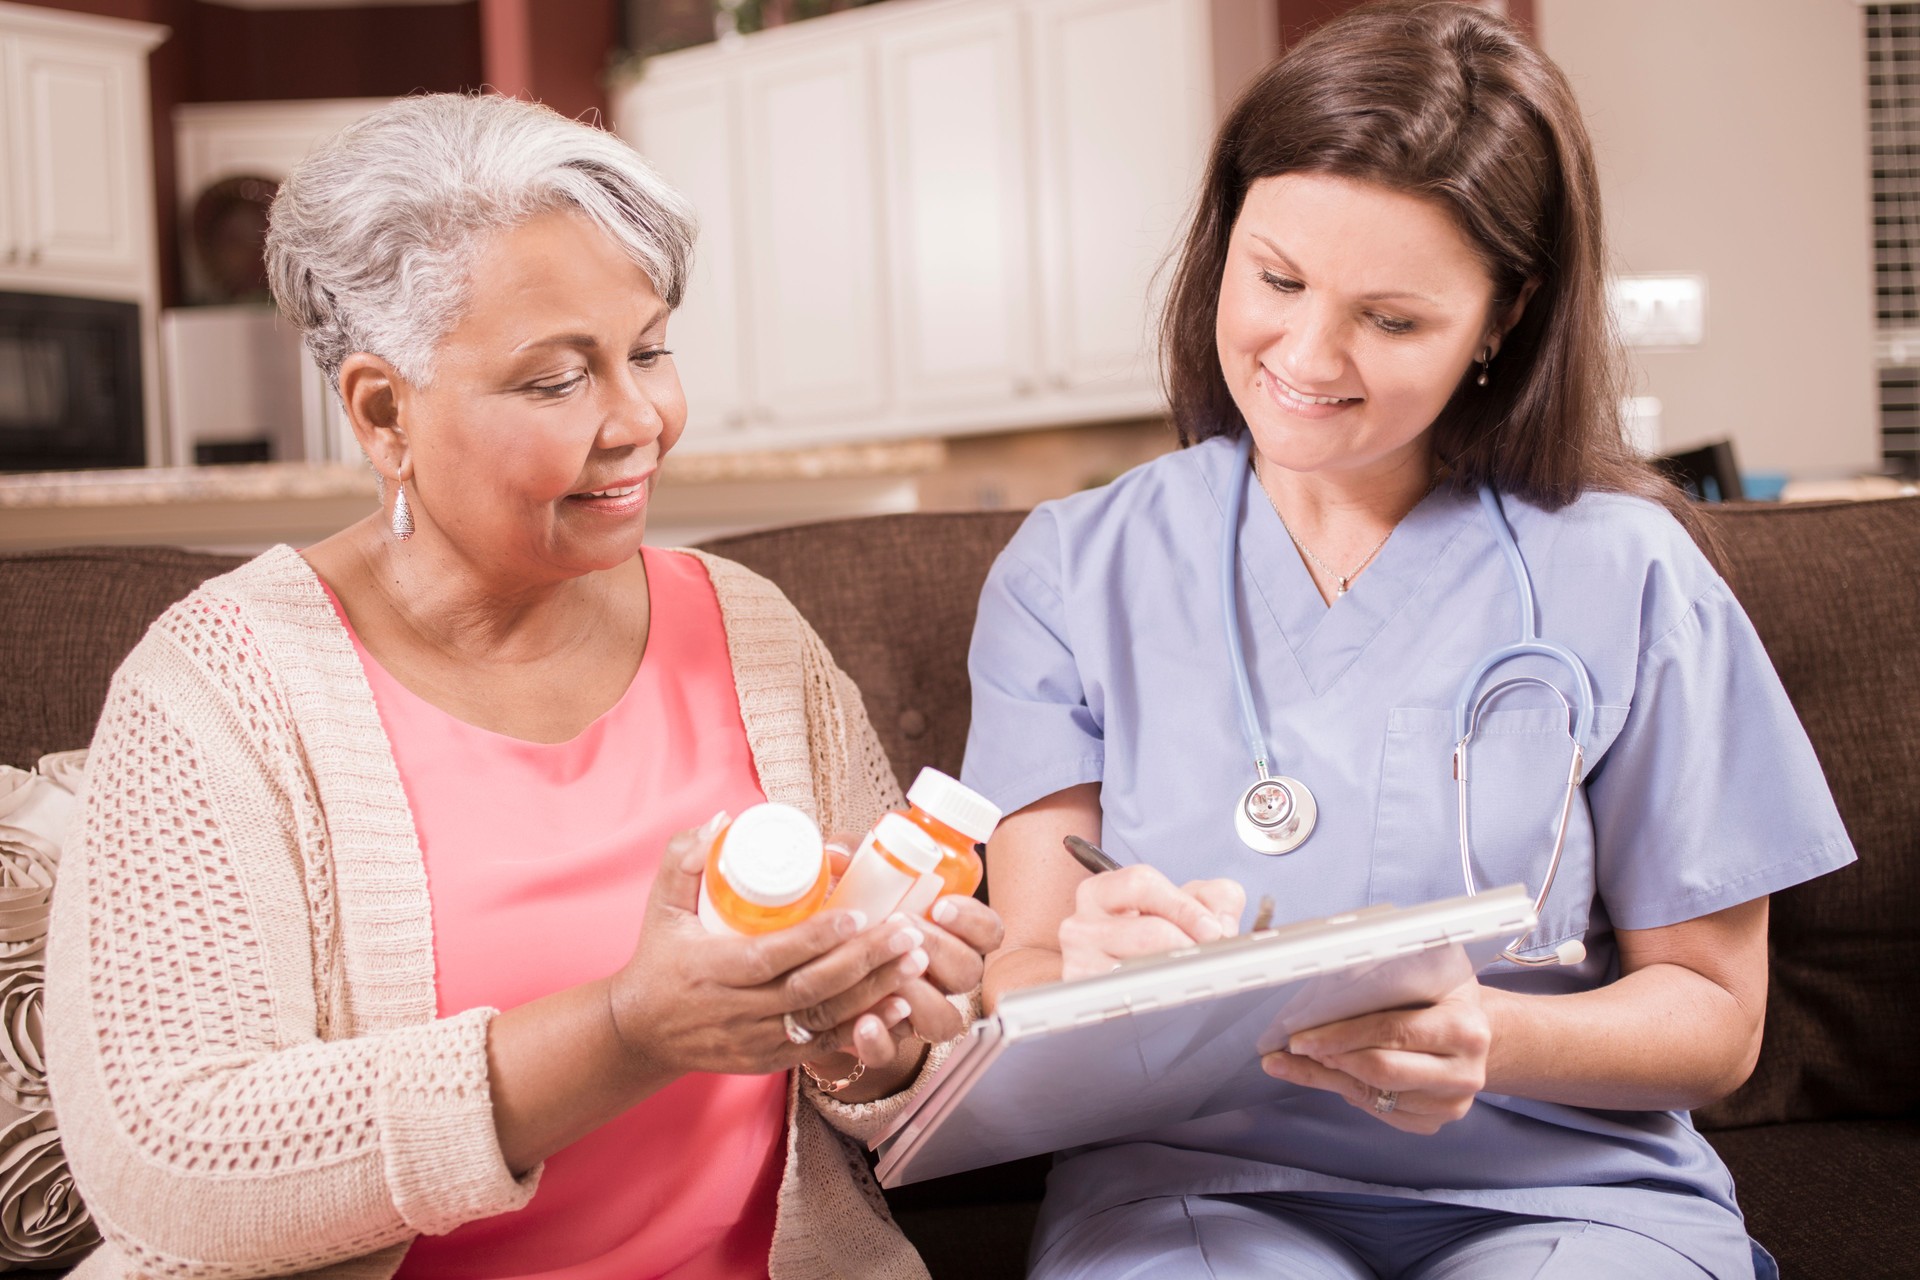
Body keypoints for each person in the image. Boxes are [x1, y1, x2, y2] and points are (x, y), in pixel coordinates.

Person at [962, 5, 1852, 1278]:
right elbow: (1022, 969)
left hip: (1574, 1191)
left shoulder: (1628, 569)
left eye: (1390, 319)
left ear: (1505, 316)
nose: (1307, 357)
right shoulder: (1071, 569)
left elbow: (1715, 1017)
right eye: (1275, 279)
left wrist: (1487, 1033)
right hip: (1191, 1188)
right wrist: (1082, 971)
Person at [47, 93, 1000, 1280]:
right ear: (384, 411)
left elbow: (877, 1085)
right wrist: (625, 1030)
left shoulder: (751, 630)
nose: (641, 418)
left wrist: (879, 1048)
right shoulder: (218, 689)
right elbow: (170, 1164)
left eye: (650, 349)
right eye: (558, 380)